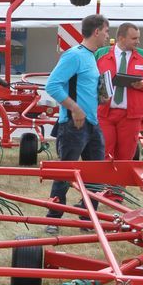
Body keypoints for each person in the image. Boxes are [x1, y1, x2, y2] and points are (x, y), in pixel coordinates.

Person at [44, 14, 110, 234]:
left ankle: (87, 217)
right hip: (74, 125)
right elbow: (52, 85)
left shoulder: (91, 56)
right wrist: (75, 108)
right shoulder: (74, 56)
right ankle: (53, 218)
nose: (108, 36)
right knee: (65, 172)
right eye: (107, 31)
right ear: (97, 31)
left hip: (91, 124)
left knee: (96, 173)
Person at [95, 23, 143, 160]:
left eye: (138, 38)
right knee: (103, 153)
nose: (138, 41)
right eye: (134, 38)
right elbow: (89, 79)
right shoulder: (101, 54)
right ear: (121, 38)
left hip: (131, 116)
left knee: (125, 156)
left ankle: (119, 182)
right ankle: (104, 181)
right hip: (104, 113)